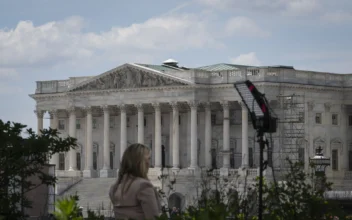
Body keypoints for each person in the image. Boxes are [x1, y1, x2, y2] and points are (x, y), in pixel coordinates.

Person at [109, 143, 161, 220]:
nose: (149, 163)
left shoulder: (114, 188)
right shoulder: (144, 186)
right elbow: (153, 217)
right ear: (141, 162)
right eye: (148, 159)